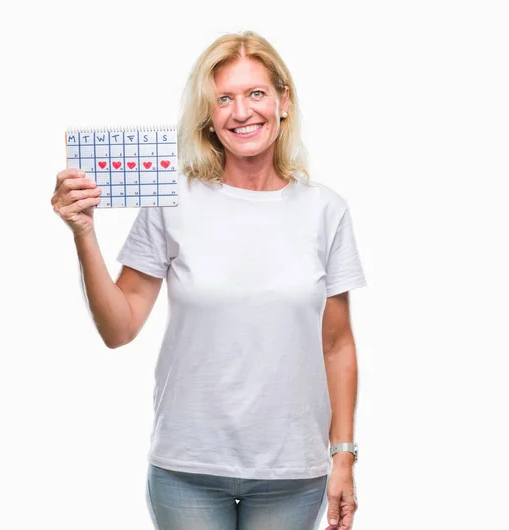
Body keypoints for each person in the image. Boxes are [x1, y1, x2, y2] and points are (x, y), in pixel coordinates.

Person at [51, 30, 366, 530]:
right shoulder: (172, 199)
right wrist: (84, 235)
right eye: (224, 98)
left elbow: (337, 344)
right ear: (209, 115)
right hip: (187, 468)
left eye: (256, 93)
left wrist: (343, 456)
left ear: (284, 102)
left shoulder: (326, 210)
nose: (242, 112)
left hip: (292, 471)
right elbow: (119, 328)